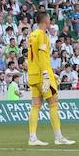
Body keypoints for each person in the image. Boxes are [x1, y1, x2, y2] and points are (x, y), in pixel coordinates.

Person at [25, 11, 73, 146]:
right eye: (49, 19)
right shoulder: (42, 35)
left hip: (33, 75)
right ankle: (58, 137)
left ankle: (32, 137)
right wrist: (47, 75)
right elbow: (41, 56)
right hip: (42, 76)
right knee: (53, 104)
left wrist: (51, 72)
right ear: (45, 20)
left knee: (35, 105)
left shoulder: (32, 35)